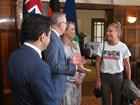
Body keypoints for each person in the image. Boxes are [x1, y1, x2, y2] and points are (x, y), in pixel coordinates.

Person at [8, 14, 57, 105]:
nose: (50, 39)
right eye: (50, 35)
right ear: (43, 37)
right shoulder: (40, 67)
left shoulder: (13, 56)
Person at [42, 12, 86, 105]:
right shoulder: (53, 40)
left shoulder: (55, 38)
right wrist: (75, 68)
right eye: (65, 23)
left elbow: (59, 61)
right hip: (57, 85)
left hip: (60, 84)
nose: (65, 25)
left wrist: (71, 61)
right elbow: (53, 66)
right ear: (60, 24)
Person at [95, 22, 131, 105]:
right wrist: (98, 79)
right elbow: (97, 63)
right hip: (104, 78)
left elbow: (127, 65)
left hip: (118, 78)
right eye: (107, 31)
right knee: (105, 102)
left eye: (110, 31)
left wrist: (128, 81)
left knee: (117, 102)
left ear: (117, 33)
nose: (107, 33)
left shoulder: (123, 47)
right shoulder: (102, 45)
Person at [61, 22, 85, 105]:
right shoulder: (60, 46)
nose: (74, 31)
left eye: (74, 29)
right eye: (72, 29)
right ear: (65, 31)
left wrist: (80, 78)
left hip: (78, 82)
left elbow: (80, 63)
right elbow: (61, 67)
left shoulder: (76, 44)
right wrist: (74, 80)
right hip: (67, 84)